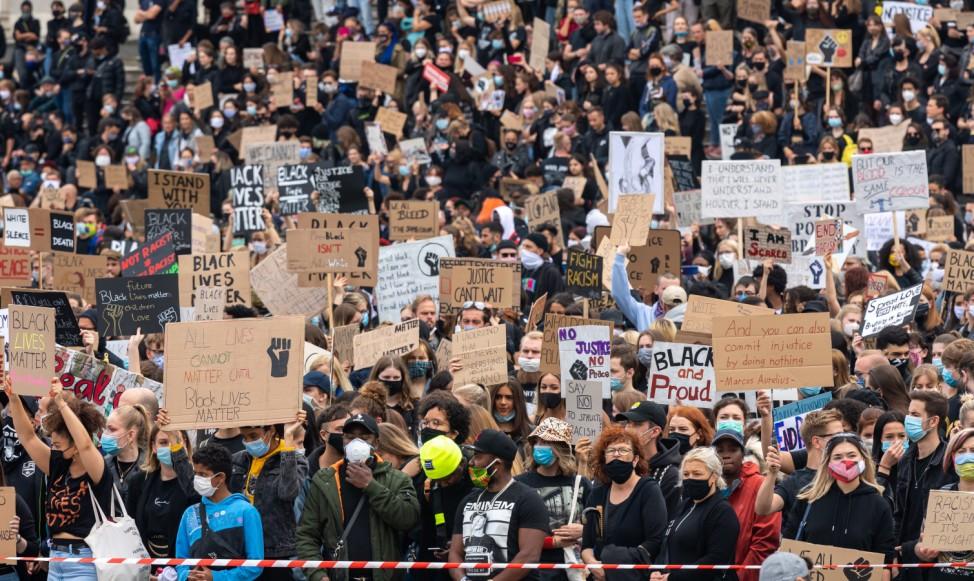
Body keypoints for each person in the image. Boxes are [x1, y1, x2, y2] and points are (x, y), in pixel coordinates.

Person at [6, 377, 113, 581]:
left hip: (84, 560)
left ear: (74, 446)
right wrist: (13, 398)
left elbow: (86, 446)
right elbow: (28, 438)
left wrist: (61, 402)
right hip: (56, 560)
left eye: (57, 445)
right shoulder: (57, 466)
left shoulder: (95, 468)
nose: (52, 449)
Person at [296, 413, 420, 581]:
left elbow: (408, 518)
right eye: (350, 437)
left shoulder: (396, 479)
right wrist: (319, 576)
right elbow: (307, 535)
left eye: (364, 437)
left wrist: (371, 486)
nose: (356, 443)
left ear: (376, 443)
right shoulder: (325, 481)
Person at [448, 429, 549, 581]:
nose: (471, 462)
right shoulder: (468, 501)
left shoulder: (528, 499)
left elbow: (529, 555)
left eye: (478, 456)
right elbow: (455, 553)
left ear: (497, 464)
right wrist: (463, 579)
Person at [787, 433, 895, 561]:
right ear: (828, 463)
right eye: (837, 457)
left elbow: (885, 559)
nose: (845, 461)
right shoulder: (808, 500)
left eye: (852, 455)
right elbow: (789, 547)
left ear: (863, 459)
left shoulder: (878, 505)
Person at [581, 426, 667, 581]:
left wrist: (617, 562)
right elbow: (587, 544)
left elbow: (655, 540)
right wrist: (593, 565)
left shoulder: (648, 490)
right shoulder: (598, 494)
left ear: (635, 460)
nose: (616, 455)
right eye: (610, 451)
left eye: (622, 450)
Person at [232, 414, 309, 580]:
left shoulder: (295, 459)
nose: (248, 442)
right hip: (240, 548)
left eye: (253, 436)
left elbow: (288, 493)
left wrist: (288, 442)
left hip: (275, 552)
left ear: (270, 430)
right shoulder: (238, 460)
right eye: (244, 437)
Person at [175, 444, 264, 581]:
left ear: (221, 477)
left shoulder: (247, 512)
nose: (197, 479)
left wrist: (217, 577)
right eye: (195, 473)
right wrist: (186, 576)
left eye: (203, 474)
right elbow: (181, 561)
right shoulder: (190, 513)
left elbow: (255, 565)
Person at [517, 418, 590, 581]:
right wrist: (552, 542)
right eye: (537, 442)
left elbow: (599, 523)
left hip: (571, 568)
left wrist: (584, 530)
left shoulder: (580, 483)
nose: (539, 447)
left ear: (561, 448)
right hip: (532, 568)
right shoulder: (520, 483)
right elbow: (514, 529)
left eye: (546, 443)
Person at [653, 448, 740, 581]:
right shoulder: (684, 505)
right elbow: (666, 544)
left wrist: (673, 578)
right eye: (686, 474)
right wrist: (657, 571)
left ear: (714, 476)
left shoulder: (722, 512)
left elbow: (716, 560)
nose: (690, 478)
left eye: (697, 474)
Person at [712, 428, 780, 581]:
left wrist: (739, 578)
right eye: (720, 450)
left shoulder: (760, 485)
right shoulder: (708, 486)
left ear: (743, 454)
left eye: (733, 449)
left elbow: (765, 542)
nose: (726, 454)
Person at [906, 428, 974, 579]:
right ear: (952, 458)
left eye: (973, 450)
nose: (968, 456)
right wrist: (923, 551)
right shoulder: (942, 496)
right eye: (961, 451)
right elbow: (922, 544)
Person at [416, 435, 473, 581]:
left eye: (448, 478)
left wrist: (460, 549)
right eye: (439, 480)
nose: (444, 484)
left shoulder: (477, 482)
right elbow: (427, 532)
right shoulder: (430, 488)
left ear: (461, 464)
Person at [615, 401, 682, 520]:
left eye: (636, 424)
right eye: (627, 423)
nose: (628, 429)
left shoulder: (669, 475)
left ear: (655, 431)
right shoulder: (618, 464)